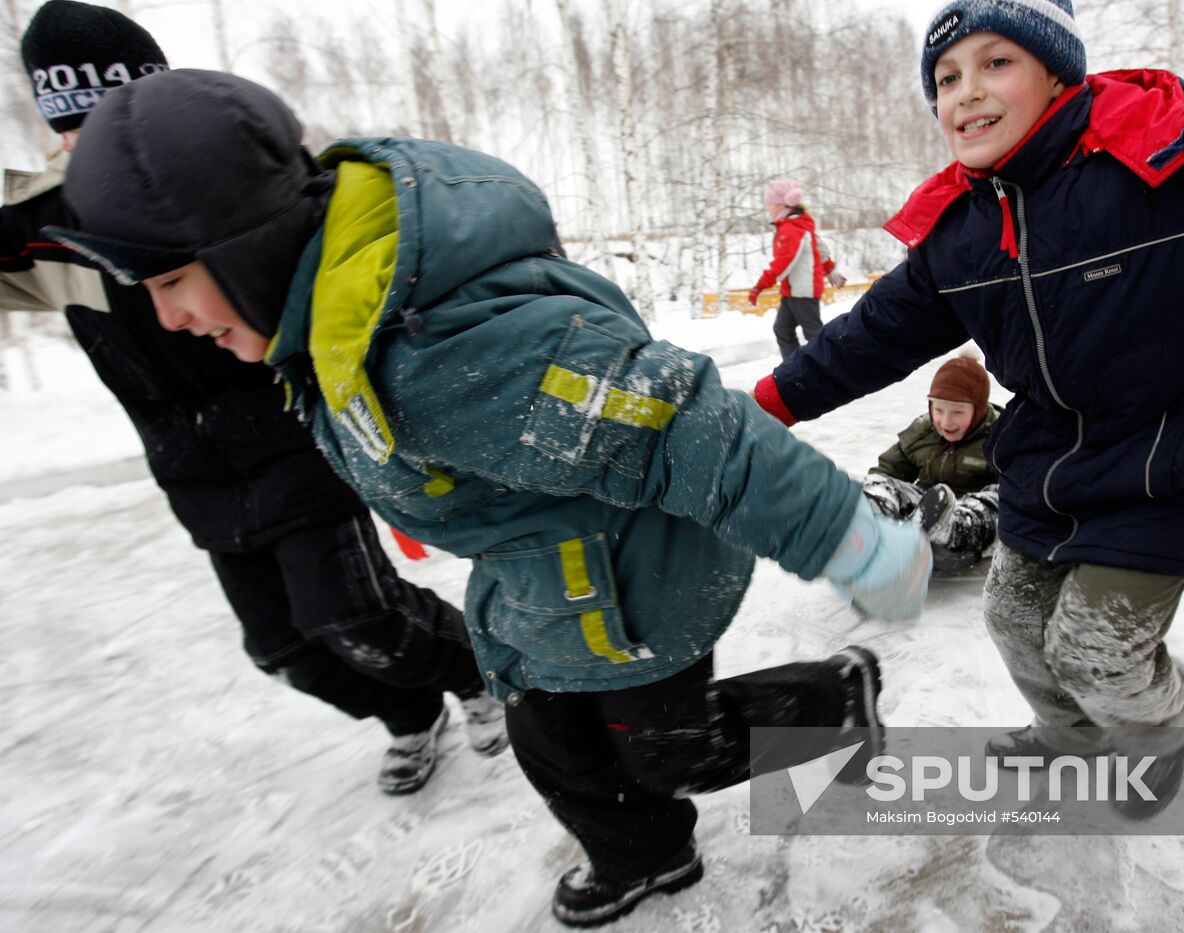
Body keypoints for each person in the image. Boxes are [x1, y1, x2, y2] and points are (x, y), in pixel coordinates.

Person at [48, 69, 933, 926]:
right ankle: (644, 854)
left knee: (665, 749)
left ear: (246, 246)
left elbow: (684, 425)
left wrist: (847, 536)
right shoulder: (338, 317)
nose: (167, 321)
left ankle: (833, 700)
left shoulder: (438, 353)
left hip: (637, 585)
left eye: (169, 283)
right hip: (544, 579)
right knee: (553, 745)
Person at [750, 0, 1184, 818]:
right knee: (1016, 616)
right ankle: (1073, 737)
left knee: (1096, 648)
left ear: (1056, 72)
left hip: (1182, 457)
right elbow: (873, 333)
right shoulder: (965, 229)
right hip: (1056, 455)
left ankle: (1160, 736)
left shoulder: (1172, 161)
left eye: (996, 63)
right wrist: (769, 403)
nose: (964, 94)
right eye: (945, 78)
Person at [1, 0, 507, 797]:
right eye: (74, 129)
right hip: (199, 476)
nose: (173, 315)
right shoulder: (45, 226)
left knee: (357, 616)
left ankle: (487, 678)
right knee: (281, 647)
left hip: (291, 446)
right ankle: (413, 714)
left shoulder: (216, 193)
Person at [862, 352, 1002, 572]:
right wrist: (880, 492)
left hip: (972, 522)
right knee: (882, 485)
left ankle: (949, 528)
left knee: (1000, 497)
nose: (946, 421)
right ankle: (869, 517)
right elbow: (887, 471)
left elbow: (1019, 489)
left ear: (979, 410)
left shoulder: (999, 438)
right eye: (938, 410)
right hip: (926, 511)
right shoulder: (922, 433)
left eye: (957, 413)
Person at [748, 178, 845, 360]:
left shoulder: (791, 229)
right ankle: (794, 371)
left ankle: (832, 370)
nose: (767, 208)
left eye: (769, 204)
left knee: (814, 334)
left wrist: (759, 286)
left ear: (781, 205)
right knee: (782, 330)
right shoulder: (797, 224)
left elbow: (783, 263)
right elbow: (820, 248)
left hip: (803, 291)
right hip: (793, 291)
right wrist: (830, 270)